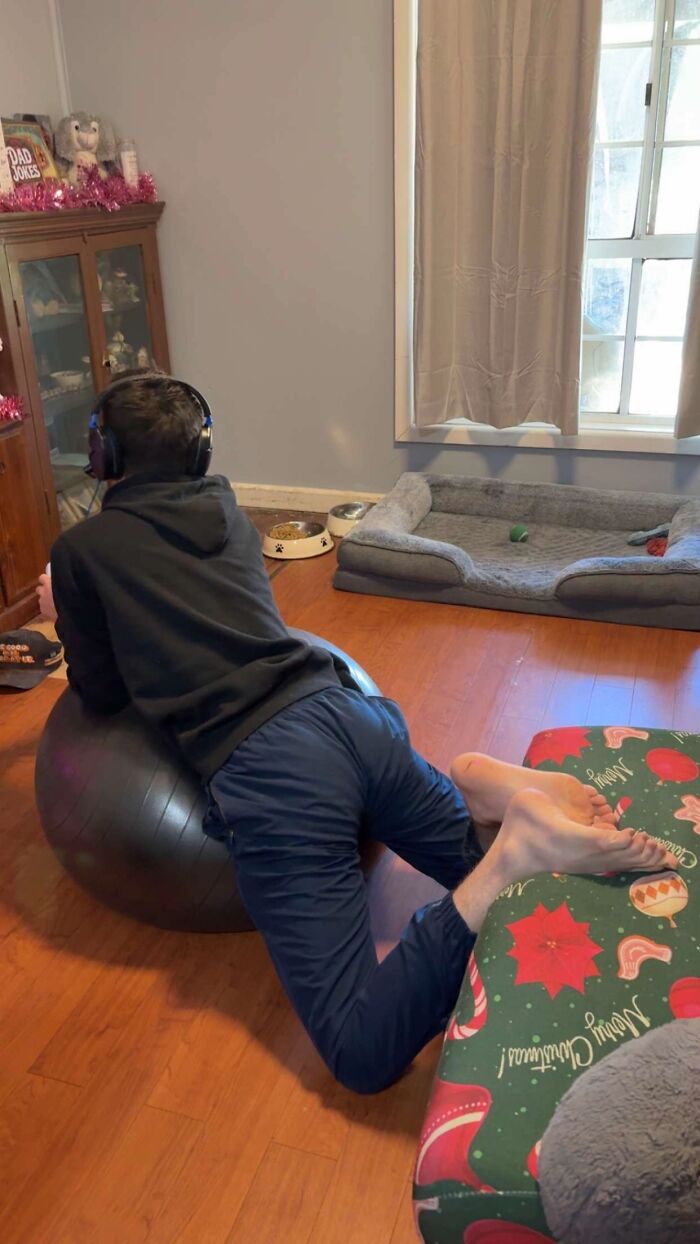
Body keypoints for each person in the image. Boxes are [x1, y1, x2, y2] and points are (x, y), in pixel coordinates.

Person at [37, 371, 675, 1094]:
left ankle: (508, 854)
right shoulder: (229, 512)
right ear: (201, 452)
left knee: (361, 1051)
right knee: (474, 867)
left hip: (274, 769)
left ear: (104, 455)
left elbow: (101, 692)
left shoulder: (83, 551)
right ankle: (480, 794)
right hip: (350, 714)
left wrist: (66, 608)